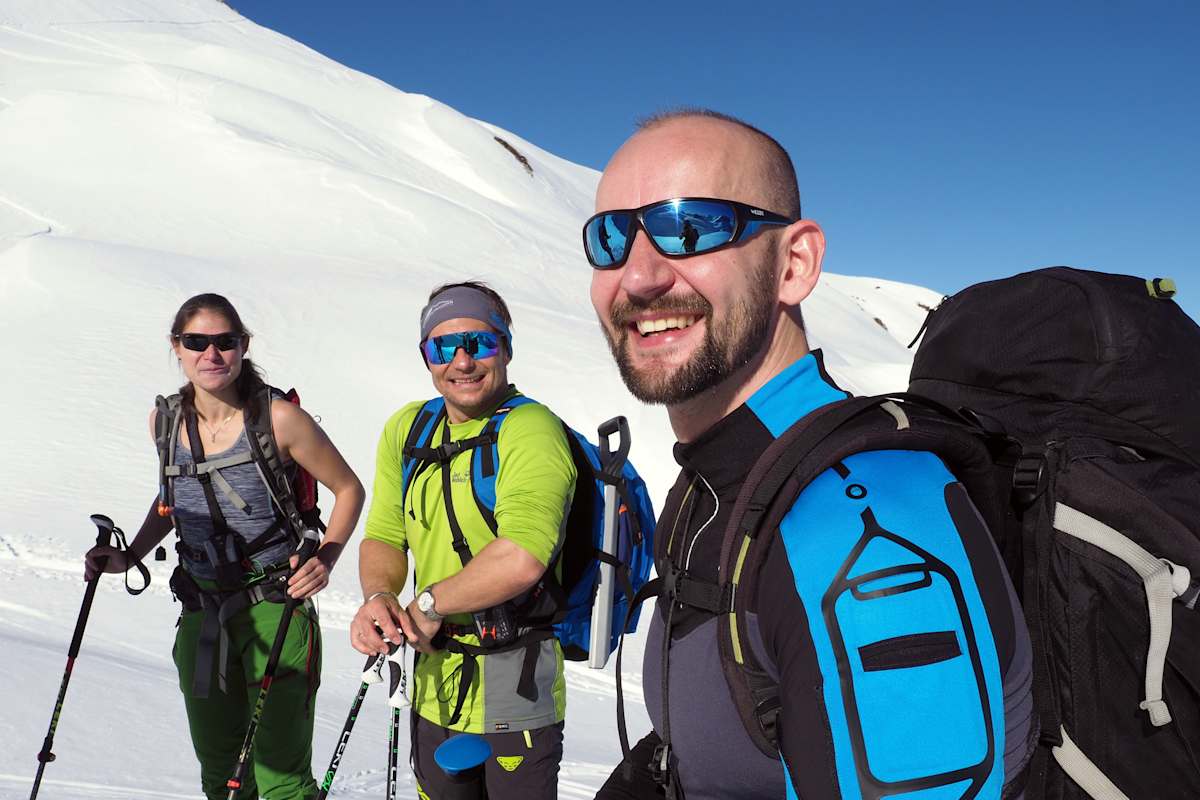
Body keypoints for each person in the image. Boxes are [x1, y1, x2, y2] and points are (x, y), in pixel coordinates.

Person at [584, 110, 1035, 799]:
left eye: (692, 226)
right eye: (610, 237)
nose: (638, 275)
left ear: (793, 264)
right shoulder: (721, 482)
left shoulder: (863, 522)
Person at [84, 293, 365, 800]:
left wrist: (326, 557)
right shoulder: (165, 423)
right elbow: (173, 498)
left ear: (243, 347)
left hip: (276, 605)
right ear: (177, 347)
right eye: (197, 342)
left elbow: (349, 489)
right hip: (202, 608)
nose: (211, 354)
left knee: (282, 775)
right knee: (221, 772)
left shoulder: (278, 419)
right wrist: (131, 555)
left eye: (225, 342)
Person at [350, 281, 576, 800]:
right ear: (426, 357)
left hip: (517, 677)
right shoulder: (409, 430)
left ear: (506, 348)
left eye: (480, 343)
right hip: (433, 681)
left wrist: (429, 603)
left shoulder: (532, 429)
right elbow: (384, 534)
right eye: (443, 347)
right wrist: (379, 596)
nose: (462, 361)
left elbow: (522, 555)